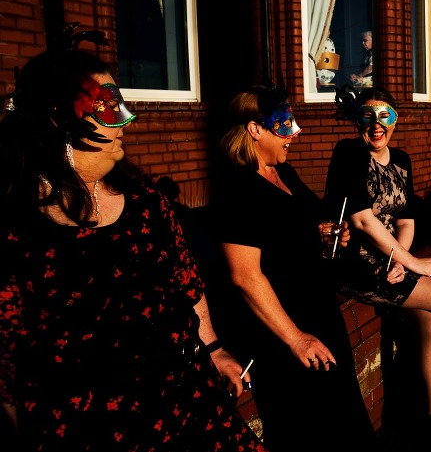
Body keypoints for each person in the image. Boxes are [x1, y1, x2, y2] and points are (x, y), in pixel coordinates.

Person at [0, 46, 262, 452]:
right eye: (107, 107)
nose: (125, 123)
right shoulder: (17, 230)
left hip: (186, 403)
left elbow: (187, 284)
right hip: (91, 431)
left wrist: (213, 349)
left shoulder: (146, 202)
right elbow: (6, 360)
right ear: (58, 119)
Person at [212, 83, 381, 452]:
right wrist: (295, 338)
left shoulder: (283, 173)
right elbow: (244, 276)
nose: (297, 131)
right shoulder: (237, 190)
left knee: (348, 425)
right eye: (284, 124)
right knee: (307, 433)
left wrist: (325, 234)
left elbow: (296, 230)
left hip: (320, 317)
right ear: (255, 130)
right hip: (285, 336)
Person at [325, 86, 431, 431]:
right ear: (356, 120)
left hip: (391, 260)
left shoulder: (402, 160)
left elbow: (407, 221)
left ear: (396, 119)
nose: (376, 125)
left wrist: (400, 260)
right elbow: (363, 220)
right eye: (367, 116)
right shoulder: (349, 153)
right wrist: (413, 263)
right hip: (357, 266)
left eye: (385, 116)